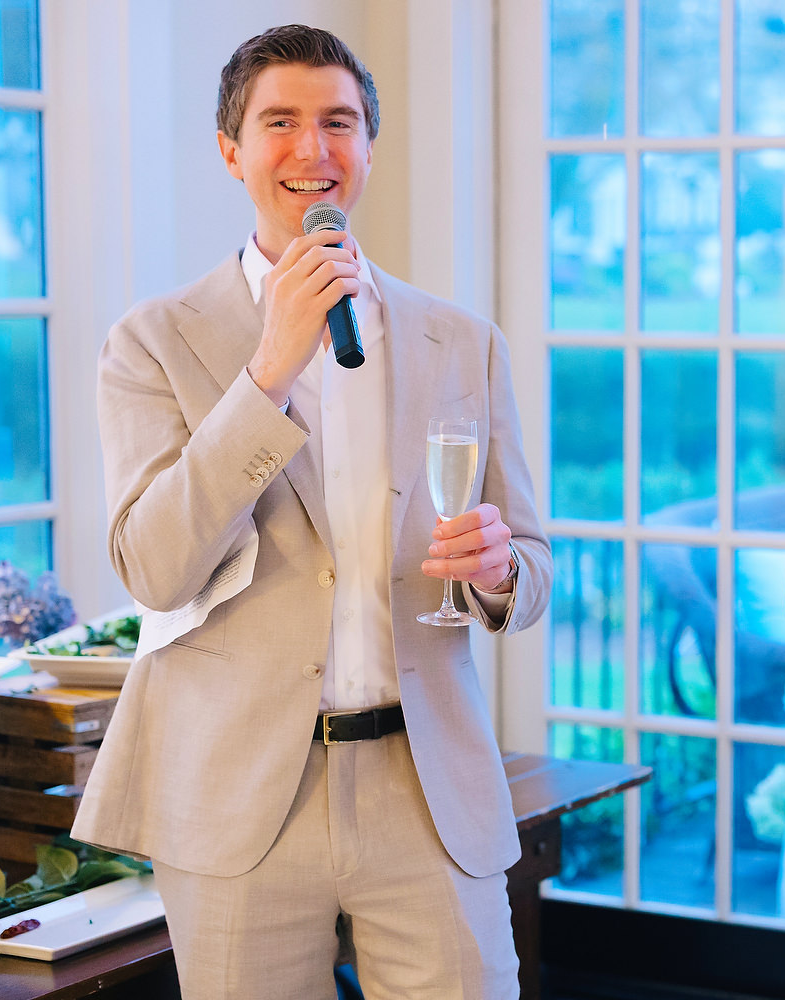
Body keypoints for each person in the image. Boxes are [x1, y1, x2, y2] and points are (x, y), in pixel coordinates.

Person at [71, 24, 548, 999]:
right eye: (279, 121)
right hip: (238, 800)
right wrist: (270, 369)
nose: (312, 148)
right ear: (231, 150)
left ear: (368, 144)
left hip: (426, 790)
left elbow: (532, 564)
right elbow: (155, 567)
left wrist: (502, 572)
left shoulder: (462, 341)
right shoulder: (151, 342)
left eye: (338, 121)